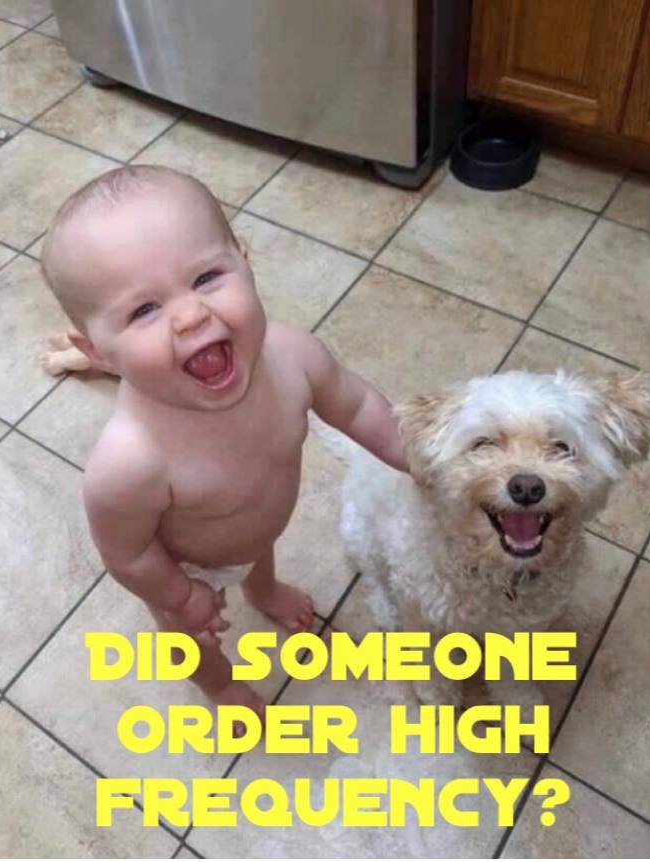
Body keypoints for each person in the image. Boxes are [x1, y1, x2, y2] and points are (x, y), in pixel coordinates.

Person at [40, 165, 408, 717]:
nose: (191, 315)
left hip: (257, 528)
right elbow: (127, 553)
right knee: (192, 641)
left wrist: (418, 455)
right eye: (144, 310)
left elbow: (357, 406)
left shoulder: (294, 358)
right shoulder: (131, 461)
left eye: (207, 277)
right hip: (188, 567)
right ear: (98, 350)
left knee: (258, 546)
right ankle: (222, 690)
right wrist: (180, 595)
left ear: (245, 258)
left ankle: (264, 590)